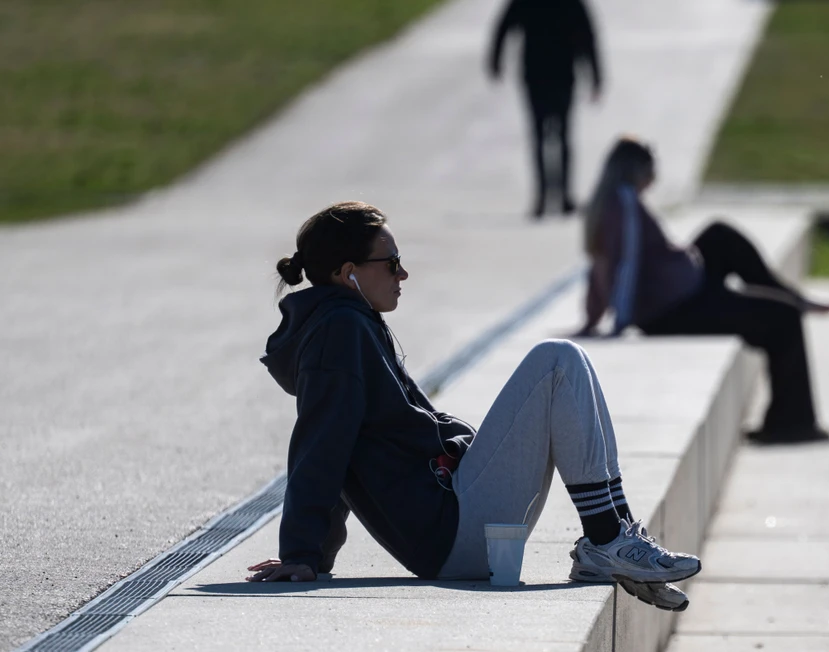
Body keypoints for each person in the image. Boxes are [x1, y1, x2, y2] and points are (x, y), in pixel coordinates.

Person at [246, 201, 697, 612]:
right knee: (557, 361)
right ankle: (607, 538)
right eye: (393, 263)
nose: (404, 274)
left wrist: (315, 555)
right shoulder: (339, 333)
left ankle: (614, 533)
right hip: (449, 534)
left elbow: (341, 444)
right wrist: (302, 553)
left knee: (569, 361)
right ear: (350, 273)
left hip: (453, 518)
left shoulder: (350, 325)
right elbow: (324, 444)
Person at [578, 137, 829, 444]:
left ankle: (790, 296)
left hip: (680, 290)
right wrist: (616, 321)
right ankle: (792, 424)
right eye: (651, 170)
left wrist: (592, 318)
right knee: (783, 317)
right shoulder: (624, 207)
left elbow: (600, 266)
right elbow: (620, 267)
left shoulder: (609, 204)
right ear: (636, 171)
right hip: (674, 308)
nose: (654, 178)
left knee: (720, 235)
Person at [489, 0, 602, 218]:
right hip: (555, 74)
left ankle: (551, 198)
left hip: (541, 74)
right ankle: (557, 197)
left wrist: (495, 60)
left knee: (545, 137)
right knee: (557, 137)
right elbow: (587, 37)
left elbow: (504, 26)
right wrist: (595, 76)